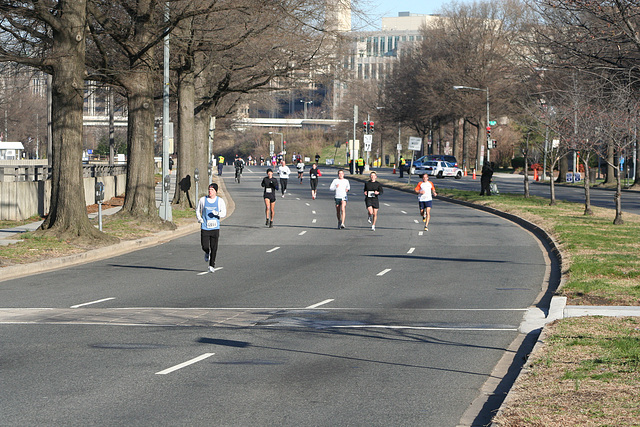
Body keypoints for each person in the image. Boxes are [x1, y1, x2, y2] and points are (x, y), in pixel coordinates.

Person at [196, 183, 227, 273]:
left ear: (216, 191)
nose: (210, 191)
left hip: (215, 227)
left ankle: (211, 265)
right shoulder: (203, 200)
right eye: (209, 189)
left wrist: (217, 213)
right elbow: (198, 210)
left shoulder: (220, 201)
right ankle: (206, 252)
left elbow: (224, 213)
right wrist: (199, 218)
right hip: (205, 226)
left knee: (214, 247)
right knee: (204, 245)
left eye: (212, 190)